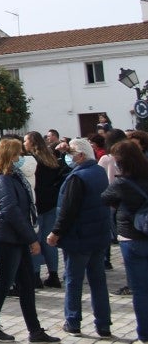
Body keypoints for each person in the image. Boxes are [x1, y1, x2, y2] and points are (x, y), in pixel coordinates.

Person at [0, 138, 59, 343]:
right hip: (8, 237)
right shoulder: (1, 179)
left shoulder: (12, 176)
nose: (20, 157)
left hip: (16, 237)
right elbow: (11, 211)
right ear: (10, 155)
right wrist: (31, 238)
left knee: (26, 284)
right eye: (18, 154)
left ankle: (35, 330)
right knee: (4, 283)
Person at [46, 138, 111, 337]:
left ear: (81, 156)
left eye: (71, 154)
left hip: (79, 237)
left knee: (74, 281)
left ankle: (73, 321)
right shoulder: (99, 172)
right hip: (98, 235)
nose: (69, 158)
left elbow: (68, 210)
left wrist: (55, 232)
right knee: (98, 281)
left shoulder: (78, 177)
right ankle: (104, 325)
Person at [101, 140, 148, 342]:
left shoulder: (122, 183)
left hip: (131, 237)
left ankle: (145, 333)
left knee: (139, 289)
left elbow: (104, 198)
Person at [24, 131, 66, 289]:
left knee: (35, 239)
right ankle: (53, 274)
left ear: (32, 143)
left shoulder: (32, 161)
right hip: (51, 202)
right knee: (49, 240)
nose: (24, 143)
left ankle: (35, 276)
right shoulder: (51, 158)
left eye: (26, 141)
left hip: (37, 203)